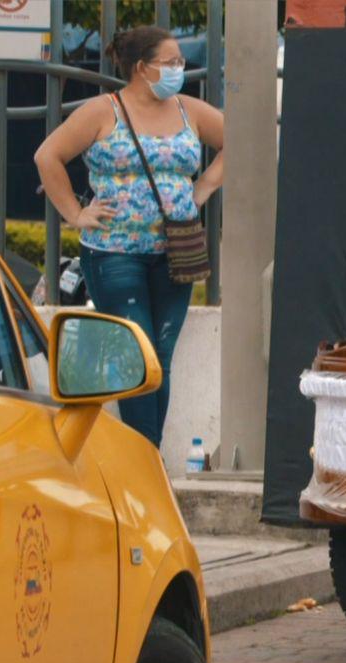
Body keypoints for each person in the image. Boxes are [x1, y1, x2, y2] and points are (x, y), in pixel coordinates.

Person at [35, 26, 224, 446]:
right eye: (170, 62)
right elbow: (47, 156)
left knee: (161, 357)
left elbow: (240, 140)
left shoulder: (187, 110)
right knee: (136, 355)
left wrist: (205, 186)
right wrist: (75, 213)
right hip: (114, 254)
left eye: (180, 62)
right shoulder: (103, 111)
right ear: (142, 68)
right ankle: (147, 463)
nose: (179, 69)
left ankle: (146, 461)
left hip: (176, 253)